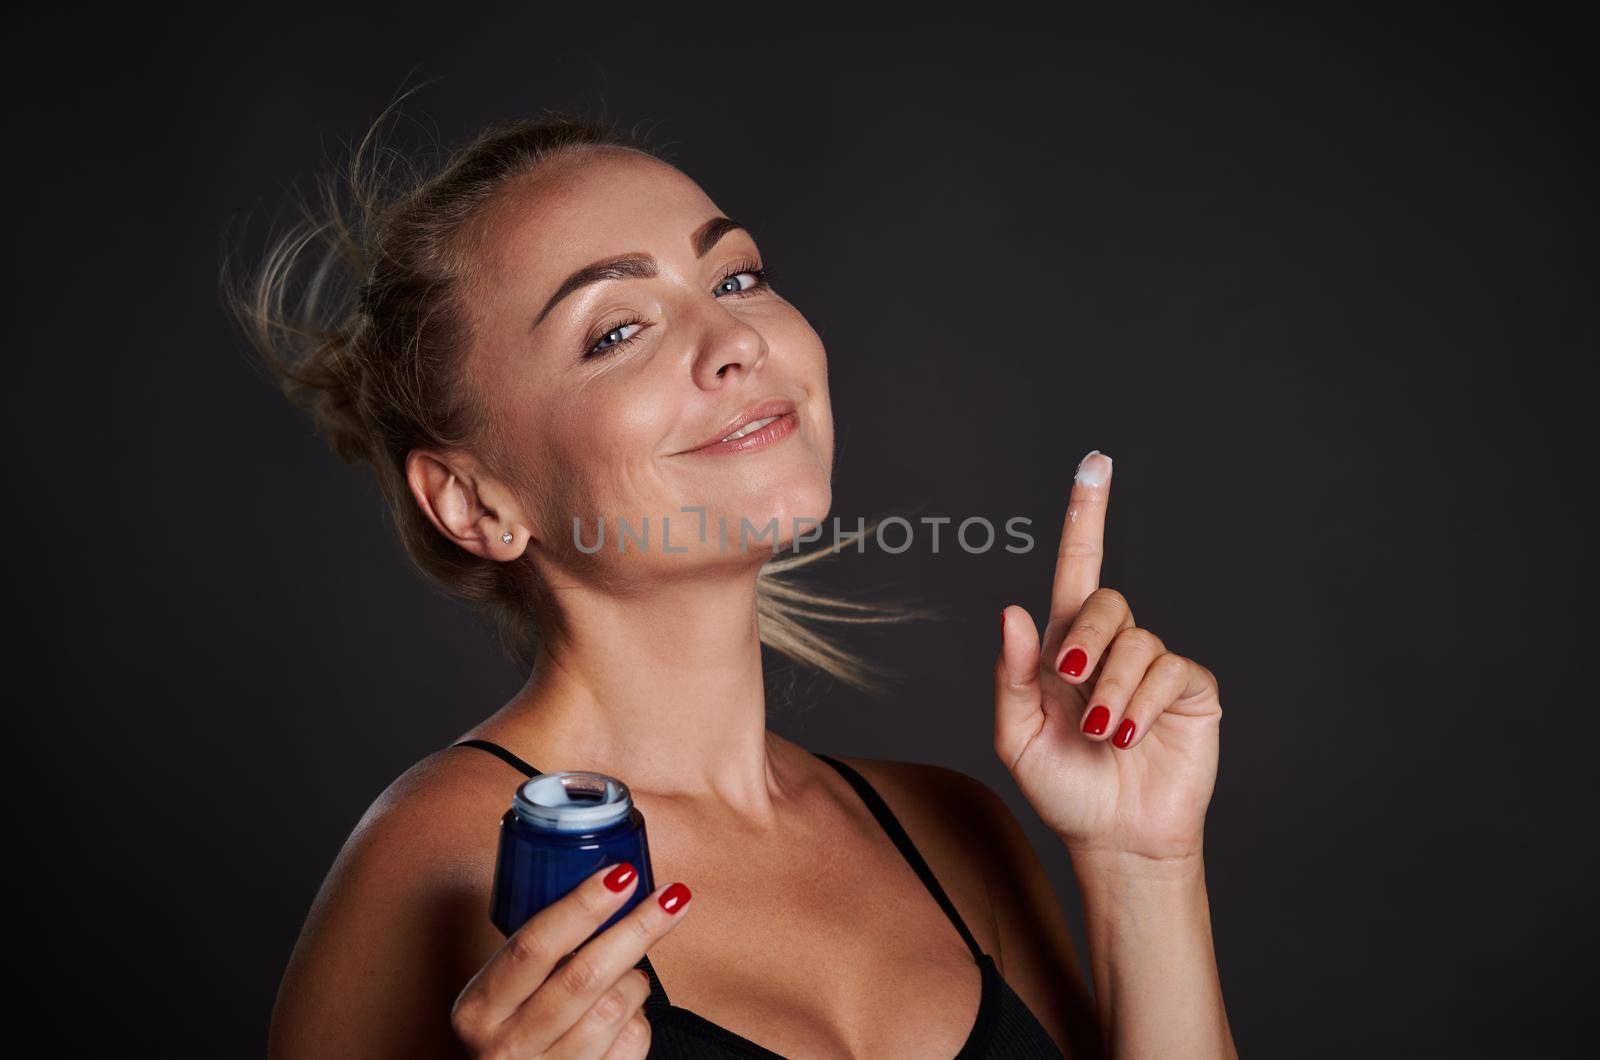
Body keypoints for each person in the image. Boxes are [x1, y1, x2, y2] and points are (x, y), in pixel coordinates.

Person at [232, 105, 1236, 1059]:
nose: (738, 341)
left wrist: (1143, 865)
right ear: (474, 501)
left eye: (737, 278)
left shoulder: (954, 832)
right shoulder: (436, 861)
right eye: (616, 330)